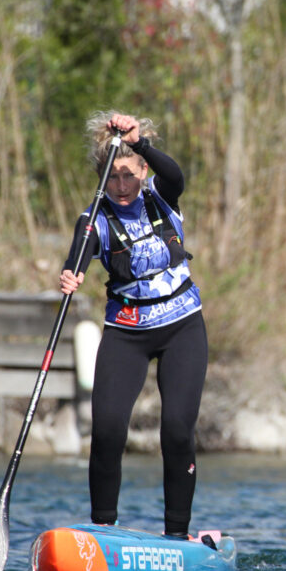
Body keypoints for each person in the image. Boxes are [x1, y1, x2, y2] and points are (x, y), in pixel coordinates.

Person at [59, 111, 206, 539]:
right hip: (126, 333)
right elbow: (77, 259)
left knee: (177, 430)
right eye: (113, 177)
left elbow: (174, 172)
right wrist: (72, 275)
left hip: (182, 327)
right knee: (106, 430)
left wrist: (141, 143)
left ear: (142, 170)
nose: (122, 187)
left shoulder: (163, 194)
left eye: (129, 175)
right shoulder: (94, 219)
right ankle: (103, 530)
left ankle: (177, 535)